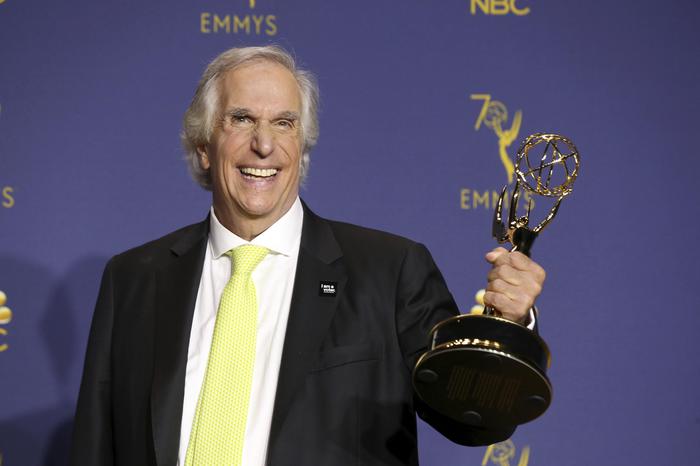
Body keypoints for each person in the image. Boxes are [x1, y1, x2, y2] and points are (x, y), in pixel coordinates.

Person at [70, 45, 546, 466]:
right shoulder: (134, 279)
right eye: (241, 119)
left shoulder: (391, 270)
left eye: (284, 123)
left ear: (302, 145)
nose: (264, 144)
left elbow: (473, 420)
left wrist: (507, 327)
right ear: (203, 149)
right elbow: (96, 446)